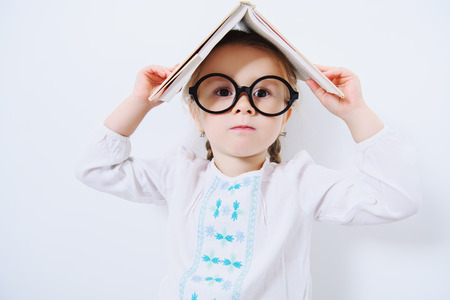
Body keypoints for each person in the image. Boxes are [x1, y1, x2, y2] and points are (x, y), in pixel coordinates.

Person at [75, 30, 420, 299]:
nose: (244, 105)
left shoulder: (300, 183)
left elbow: (394, 200)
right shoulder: (178, 175)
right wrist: (140, 101)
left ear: (285, 117)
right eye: (222, 92)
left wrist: (355, 112)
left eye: (263, 92)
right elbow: (95, 168)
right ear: (197, 115)